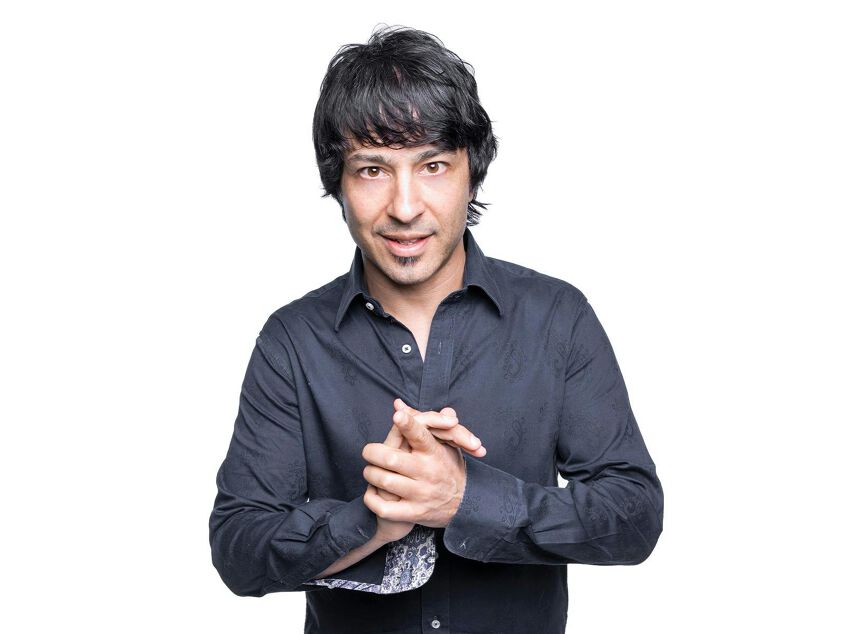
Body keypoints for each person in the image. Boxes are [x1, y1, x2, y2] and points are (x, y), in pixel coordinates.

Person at [209, 24, 663, 634]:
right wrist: (372, 521)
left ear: (472, 172)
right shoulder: (293, 341)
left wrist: (464, 499)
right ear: (337, 183)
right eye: (372, 169)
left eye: (433, 165)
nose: (404, 207)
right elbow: (238, 552)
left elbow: (634, 519)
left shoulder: (557, 317)